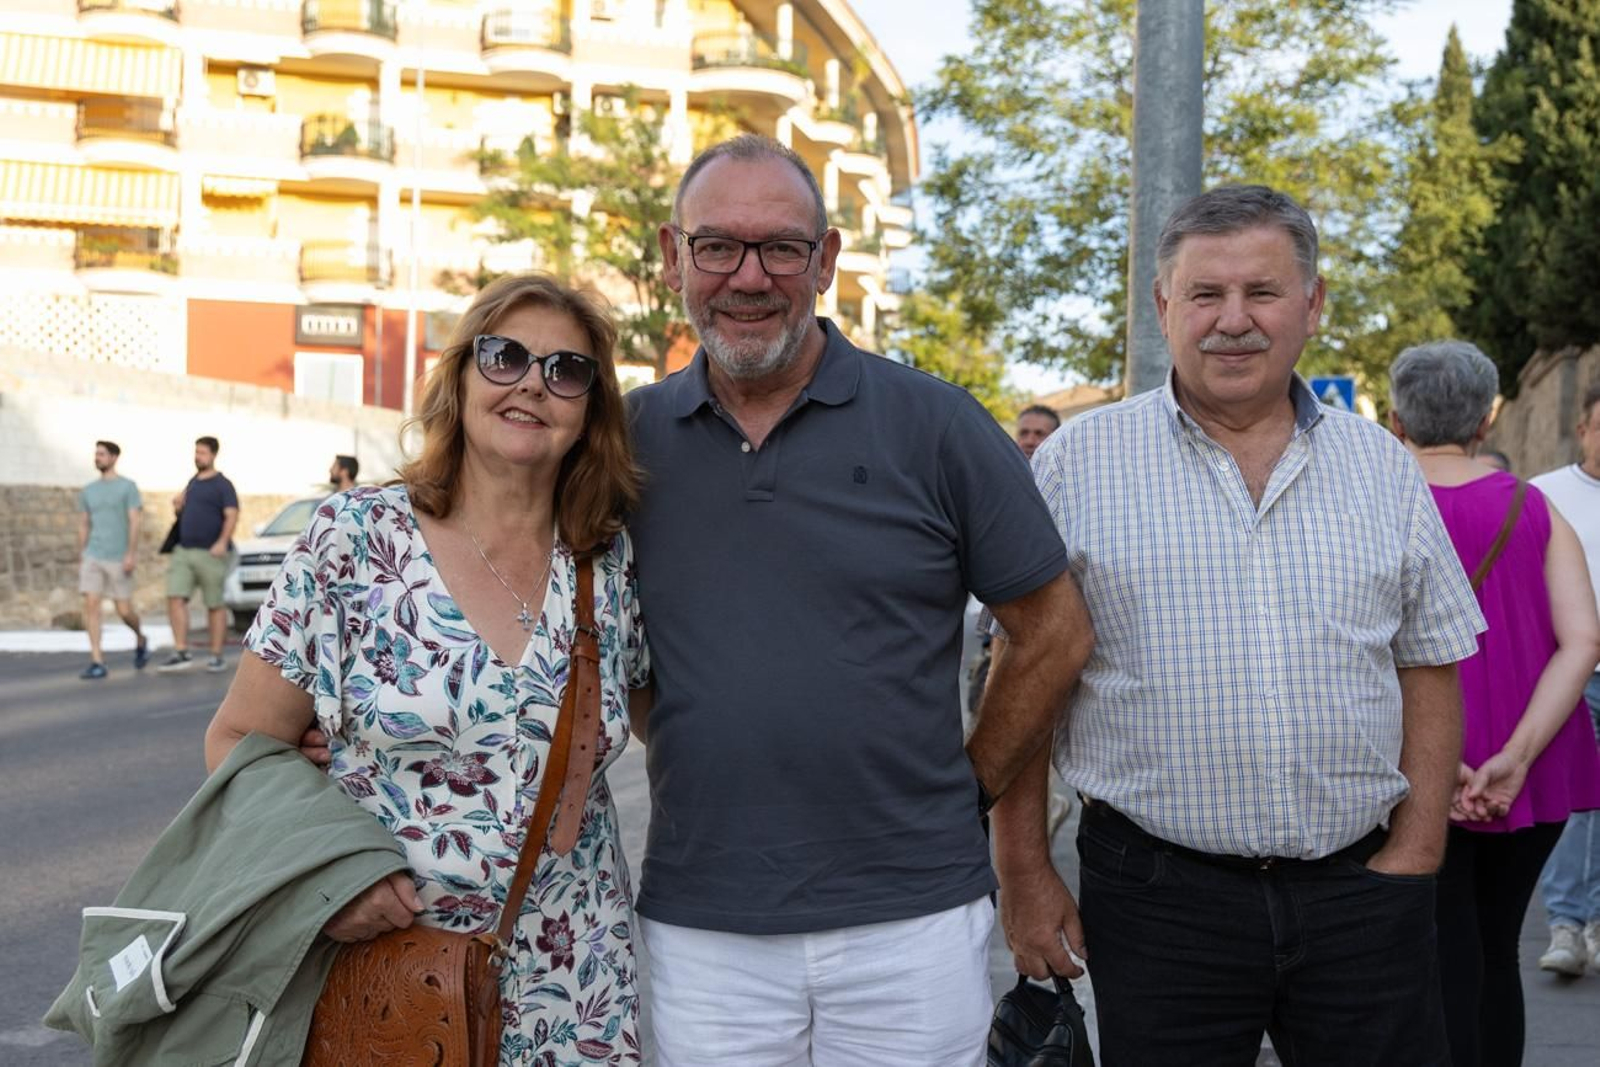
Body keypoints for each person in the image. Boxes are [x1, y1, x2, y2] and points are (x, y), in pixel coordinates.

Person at [622, 134, 1093, 1066]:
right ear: (675, 257)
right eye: (718, 246)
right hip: (704, 917)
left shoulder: (936, 423)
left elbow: (1052, 630)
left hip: (912, 919)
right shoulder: (623, 443)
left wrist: (972, 786)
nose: (748, 276)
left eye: (781, 248)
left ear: (827, 260)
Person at [995, 184, 1487, 1066]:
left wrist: (1416, 852)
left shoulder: (1381, 464)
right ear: (1162, 307)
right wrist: (1024, 872)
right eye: (1205, 295)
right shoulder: (1077, 462)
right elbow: (1025, 672)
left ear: (1312, 303)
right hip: (1154, 896)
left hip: (1361, 895)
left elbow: (1430, 659)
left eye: (1261, 292)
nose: (1234, 320)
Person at [208, 273, 649, 1064]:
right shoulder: (355, 536)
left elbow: (666, 713)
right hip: (390, 981)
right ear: (461, 375)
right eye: (504, 356)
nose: (531, 386)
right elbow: (240, 742)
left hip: (578, 979)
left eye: (566, 370)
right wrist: (323, 883)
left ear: (592, 410)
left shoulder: (606, 558)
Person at [1389, 340, 1600, 1067]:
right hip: (1526, 769)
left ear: (1394, 418)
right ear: (1487, 421)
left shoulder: (1371, 500)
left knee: (1433, 946)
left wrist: (1440, 760)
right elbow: (1582, 640)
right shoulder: (1533, 505)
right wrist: (1514, 755)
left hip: (1406, 763)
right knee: (1496, 946)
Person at [1534, 379, 1600, 977]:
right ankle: (1566, 925)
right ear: (1582, 430)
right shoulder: (1544, 495)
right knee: (1578, 806)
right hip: (1573, 672)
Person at [157, 436, 239, 673]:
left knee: (214, 603)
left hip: (210, 552)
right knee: (175, 596)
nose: (198, 456)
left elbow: (232, 514)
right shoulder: (192, 482)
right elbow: (183, 512)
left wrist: (222, 542)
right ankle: (181, 651)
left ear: (213, 455)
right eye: (196, 452)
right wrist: (177, 507)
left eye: (202, 452)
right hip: (183, 550)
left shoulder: (222, 484)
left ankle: (216, 655)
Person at [76, 440, 148, 678]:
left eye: (102, 454)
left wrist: (131, 553)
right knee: (92, 606)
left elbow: (135, 521)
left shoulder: (128, 487)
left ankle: (140, 637)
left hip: (118, 557)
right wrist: (82, 553)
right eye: (96, 454)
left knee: (124, 610)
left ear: (114, 457)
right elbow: (84, 523)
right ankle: (97, 660)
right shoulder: (88, 490)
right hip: (93, 556)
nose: (97, 458)